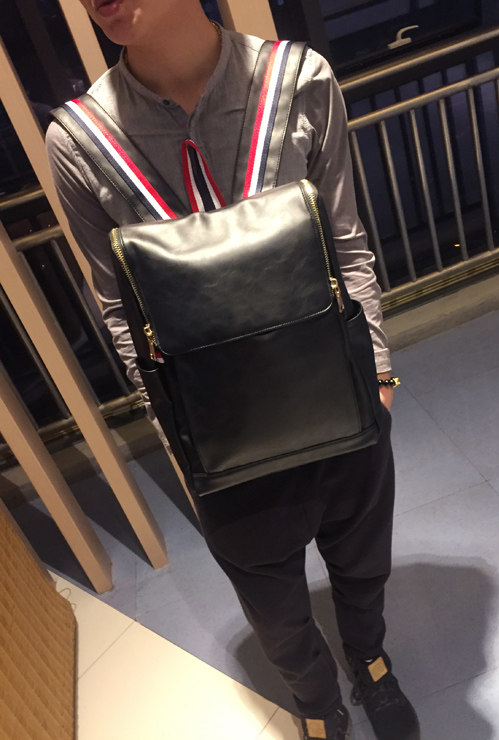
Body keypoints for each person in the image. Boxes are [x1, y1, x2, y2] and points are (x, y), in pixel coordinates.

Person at [46, 2, 420, 738]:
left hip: (337, 397)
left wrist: (377, 378)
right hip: (221, 438)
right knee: (273, 607)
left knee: (362, 558)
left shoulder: (299, 80)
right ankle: (316, 706)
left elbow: (346, 243)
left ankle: (370, 659)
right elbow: (118, 305)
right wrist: (173, 425)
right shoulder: (81, 140)